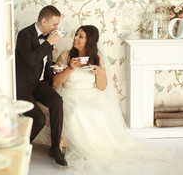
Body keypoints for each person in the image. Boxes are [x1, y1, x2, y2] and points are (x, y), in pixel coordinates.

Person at [52, 25, 171, 171]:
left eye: (80, 36)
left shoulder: (97, 58)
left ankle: (100, 147)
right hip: (70, 94)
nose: (75, 38)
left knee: (100, 112)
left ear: (89, 41)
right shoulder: (66, 55)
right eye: (76, 35)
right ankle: (85, 148)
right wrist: (70, 68)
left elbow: (102, 87)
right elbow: (55, 82)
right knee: (78, 111)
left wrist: (99, 73)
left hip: (91, 94)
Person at [15, 5, 67, 166]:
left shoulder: (47, 35)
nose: (56, 28)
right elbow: (31, 60)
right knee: (38, 120)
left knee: (57, 101)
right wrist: (49, 43)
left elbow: (44, 61)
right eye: (54, 24)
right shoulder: (24, 34)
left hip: (40, 83)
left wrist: (55, 68)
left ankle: (55, 148)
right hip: (23, 86)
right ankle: (19, 149)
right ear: (44, 21)